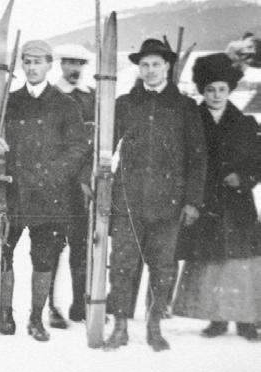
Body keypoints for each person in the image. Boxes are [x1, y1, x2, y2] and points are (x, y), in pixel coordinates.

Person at [0, 40, 89, 342]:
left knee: (44, 257)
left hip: (50, 196)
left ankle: (36, 319)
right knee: (2, 253)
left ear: (50, 64)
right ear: (22, 65)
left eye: (38, 62)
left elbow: (78, 149)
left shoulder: (65, 105)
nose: (32, 67)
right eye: (27, 61)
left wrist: (52, 174)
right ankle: (4, 316)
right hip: (10, 192)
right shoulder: (9, 101)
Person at [104, 38, 207, 352]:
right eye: (145, 65)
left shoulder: (185, 107)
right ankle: (120, 326)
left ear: (167, 67)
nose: (150, 70)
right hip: (128, 200)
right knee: (122, 264)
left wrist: (192, 200)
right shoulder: (125, 103)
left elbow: (198, 156)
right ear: (139, 68)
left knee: (162, 267)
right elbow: (105, 147)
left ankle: (153, 326)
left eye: (156, 65)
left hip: (168, 202)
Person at [172, 53, 261, 340]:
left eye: (222, 89)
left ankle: (246, 320)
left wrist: (244, 178)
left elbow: (258, 161)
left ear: (230, 90)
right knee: (210, 259)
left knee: (240, 263)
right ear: (202, 90)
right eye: (210, 89)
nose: (216, 95)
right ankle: (216, 318)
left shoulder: (245, 122)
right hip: (206, 201)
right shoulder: (192, 120)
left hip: (237, 204)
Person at [48, 43, 95, 327]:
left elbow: (97, 140)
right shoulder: (52, 96)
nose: (74, 69)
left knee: (82, 246)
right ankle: (50, 305)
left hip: (83, 185)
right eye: (69, 63)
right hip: (56, 184)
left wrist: (87, 177)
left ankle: (80, 304)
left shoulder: (92, 97)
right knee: (52, 246)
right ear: (61, 64)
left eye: (79, 63)